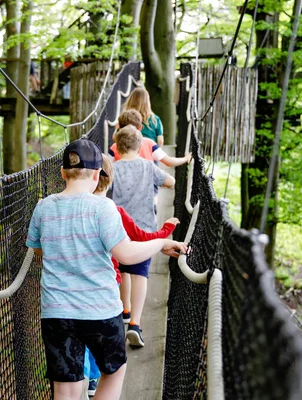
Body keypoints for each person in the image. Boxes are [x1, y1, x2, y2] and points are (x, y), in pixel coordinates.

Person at [26, 138, 186, 400]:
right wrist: (160, 243)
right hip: (99, 310)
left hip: (56, 312)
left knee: (65, 386)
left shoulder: (43, 207)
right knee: (113, 371)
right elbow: (126, 253)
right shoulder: (103, 207)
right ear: (98, 174)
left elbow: (39, 250)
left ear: (62, 172)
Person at [84, 155, 179, 395]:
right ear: (107, 180)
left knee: (81, 337)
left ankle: (87, 375)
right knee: (105, 343)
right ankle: (133, 322)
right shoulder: (113, 211)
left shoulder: (68, 208)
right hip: (105, 287)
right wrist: (165, 233)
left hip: (69, 296)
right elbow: (138, 240)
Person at [111, 126, 176, 347]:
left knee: (121, 269)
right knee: (140, 274)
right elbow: (170, 182)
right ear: (140, 146)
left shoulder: (113, 168)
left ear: (117, 148)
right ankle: (135, 324)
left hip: (118, 229)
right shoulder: (149, 167)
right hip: (145, 231)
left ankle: (124, 310)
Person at [109, 109, 191, 167]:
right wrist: (185, 159)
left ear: (119, 127)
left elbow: (108, 167)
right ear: (140, 127)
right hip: (147, 189)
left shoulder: (115, 147)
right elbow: (169, 161)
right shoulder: (149, 144)